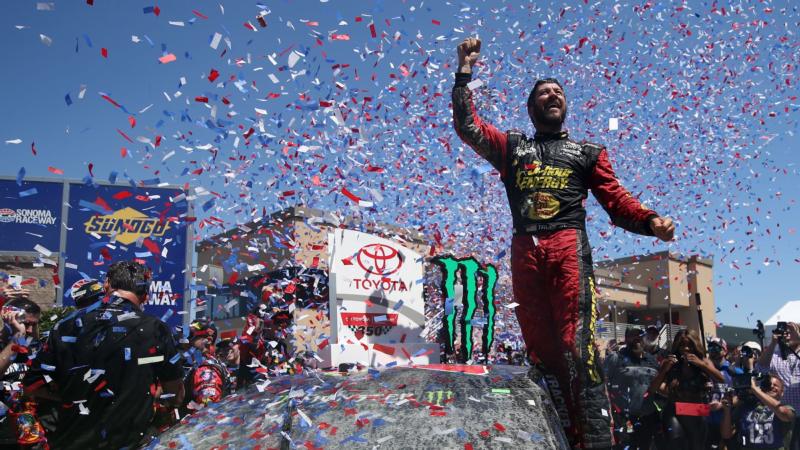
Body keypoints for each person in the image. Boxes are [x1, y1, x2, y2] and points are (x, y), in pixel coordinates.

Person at [452, 36, 675, 448]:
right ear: (532, 107)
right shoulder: (513, 147)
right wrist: (464, 72)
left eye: (558, 92)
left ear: (566, 105)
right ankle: (553, 437)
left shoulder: (587, 151)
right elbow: (469, 128)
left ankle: (595, 440)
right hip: (525, 251)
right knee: (540, 353)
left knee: (578, 346)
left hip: (569, 248)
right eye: (543, 92)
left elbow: (616, 200)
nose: (552, 95)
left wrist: (651, 221)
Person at [23, 260, 184, 449]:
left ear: (106, 284)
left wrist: (75, 395)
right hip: (129, 442)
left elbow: (33, 386)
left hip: (71, 441)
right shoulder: (155, 329)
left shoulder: (67, 325)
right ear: (145, 295)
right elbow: (175, 394)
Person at [648, 329, 725, 450]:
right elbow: (653, 388)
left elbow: (721, 379)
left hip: (697, 410)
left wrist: (701, 364)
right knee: (676, 443)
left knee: (697, 446)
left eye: (689, 345)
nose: (686, 349)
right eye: (682, 345)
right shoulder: (670, 362)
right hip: (675, 409)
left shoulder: (704, 361)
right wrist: (665, 369)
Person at [604, 328, 660, 449]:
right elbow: (604, 386)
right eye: (631, 336)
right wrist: (608, 413)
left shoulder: (652, 360)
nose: (636, 338)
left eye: (640, 335)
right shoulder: (615, 358)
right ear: (626, 339)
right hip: (623, 419)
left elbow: (659, 387)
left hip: (647, 418)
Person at [0, 297, 45, 448]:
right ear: (9, 319)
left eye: (34, 324)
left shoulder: (32, 346)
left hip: (28, 426)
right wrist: (16, 338)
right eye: (26, 324)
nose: (29, 330)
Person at [756, 322, 800, 450]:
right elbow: (760, 368)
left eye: (790, 331)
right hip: (781, 415)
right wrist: (773, 342)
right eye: (783, 331)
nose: (786, 333)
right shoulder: (775, 356)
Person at [721, 374, 795, 449]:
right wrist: (727, 410)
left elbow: (784, 413)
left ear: (782, 392)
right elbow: (726, 435)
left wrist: (755, 390)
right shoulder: (746, 406)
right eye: (768, 384)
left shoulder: (787, 407)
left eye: (775, 385)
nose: (771, 386)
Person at [180, 318, 230, 414]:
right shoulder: (198, 364)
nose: (187, 341)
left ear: (208, 340)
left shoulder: (206, 369)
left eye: (191, 336)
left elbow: (208, 408)